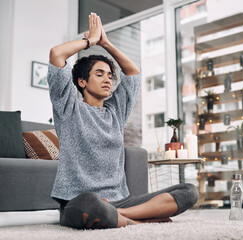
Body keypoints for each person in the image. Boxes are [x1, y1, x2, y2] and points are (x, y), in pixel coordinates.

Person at [47, 12, 199, 230]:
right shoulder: (69, 108)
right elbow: (56, 54)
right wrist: (90, 40)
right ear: (81, 81)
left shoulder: (115, 112)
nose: (108, 79)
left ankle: (121, 216)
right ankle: (136, 220)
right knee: (92, 203)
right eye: (99, 74)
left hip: (119, 200)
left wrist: (106, 44)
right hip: (79, 200)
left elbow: (133, 73)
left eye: (109, 75)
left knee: (188, 192)